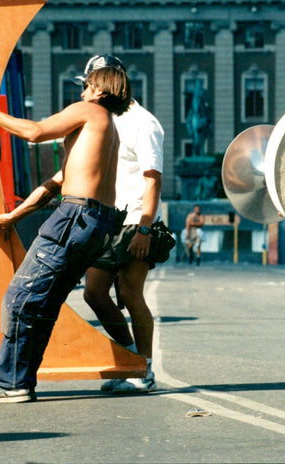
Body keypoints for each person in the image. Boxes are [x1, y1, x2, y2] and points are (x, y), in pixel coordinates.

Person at [0, 65, 132, 403]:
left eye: (86, 86)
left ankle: (12, 384)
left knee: (21, 297)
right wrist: (13, 216)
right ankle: (18, 382)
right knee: (41, 305)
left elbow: (35, 132)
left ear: (99, 91)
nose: (82, 92)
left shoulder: (89, 111)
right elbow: (56, 183)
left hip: (76, 217)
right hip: (95, 223)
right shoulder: (106, 130)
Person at [77, 55, 164, 395]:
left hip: (134, 223)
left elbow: (153, 180)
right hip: (108, 221)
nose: (86, 91)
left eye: (90, 84)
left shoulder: (144, 123)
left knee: (129, 292)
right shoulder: (104, 120)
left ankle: (143, 368)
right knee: (94, 292)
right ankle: (131, 359)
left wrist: (144, 228)